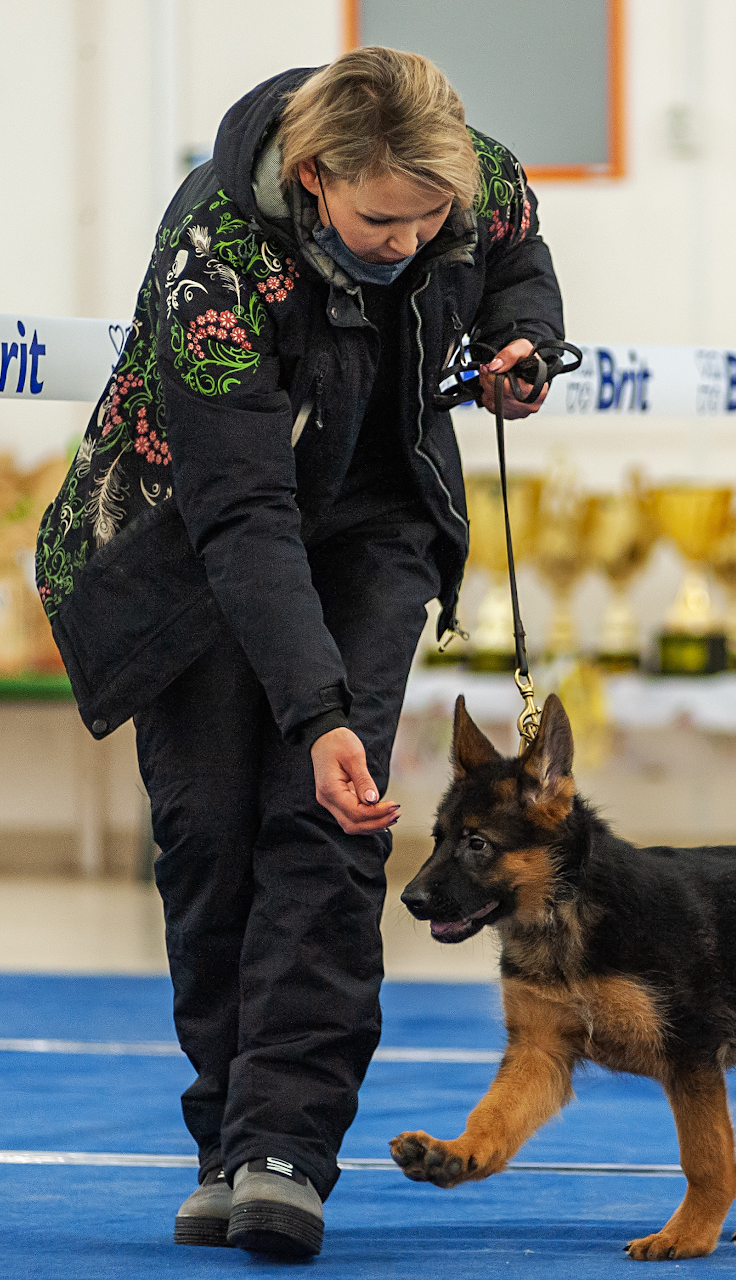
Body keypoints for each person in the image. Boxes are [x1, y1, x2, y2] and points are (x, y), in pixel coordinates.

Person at [33, 48, 563, 1257]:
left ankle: (285, 1147)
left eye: (436, 219)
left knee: (326, 825)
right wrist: (314, 707)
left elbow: (519, 251)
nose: (415, 238)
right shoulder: (213, 262)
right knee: (213, 833)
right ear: (316, 176)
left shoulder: (464, 178)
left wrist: (521, 341)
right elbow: (243, 516)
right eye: (387, 219)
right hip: (188, 548)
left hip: (377, 520)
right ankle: (224, 1135)